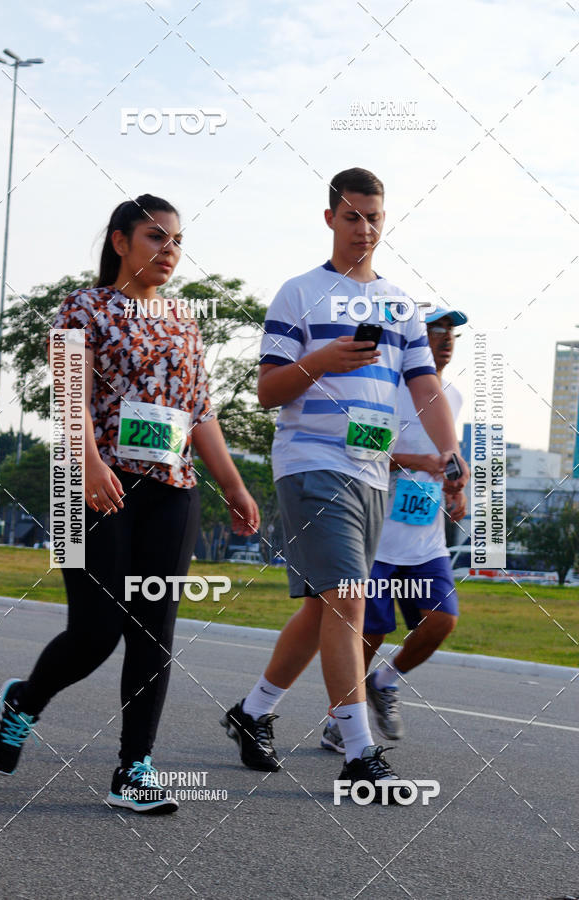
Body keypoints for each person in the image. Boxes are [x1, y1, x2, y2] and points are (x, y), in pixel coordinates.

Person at [0, 194, 259, 814]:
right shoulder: (83, 308)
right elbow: (70, 396)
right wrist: (88, 462)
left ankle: (134, 768)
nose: (170, 251)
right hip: (89, 485)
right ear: (120, 242)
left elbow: (200, 411)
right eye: (156, 237)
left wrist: (234, 484)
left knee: (153, 630)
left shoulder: (186, 321)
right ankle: (24, 701)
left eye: (177, 240)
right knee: (95, 632)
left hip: (172, 490)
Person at [221, 168, 468, 802]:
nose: (365, 228)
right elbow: (268, 389)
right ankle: (359, 754)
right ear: (330, 217)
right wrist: (321, 361)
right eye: (353, 216)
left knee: (321, 608)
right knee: (349, 602)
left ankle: (252, 712)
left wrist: (449, 451)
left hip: (370, 472)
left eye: (375, 218)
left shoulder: (401, 306)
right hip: (309, 462)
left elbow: (424, 387)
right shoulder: (299, 293)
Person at [320, 307, 467, 754]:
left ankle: (384, 682)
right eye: (435, 330)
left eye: (451, 332)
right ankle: (341, 719)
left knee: (443, 620)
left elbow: (448, 458)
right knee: (373, 631)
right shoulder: (385, 390)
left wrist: (456, 492)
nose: (445, 339)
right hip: (377, 536)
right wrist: (419, 462)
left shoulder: (452, 396)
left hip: (425, 538)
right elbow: (361, 450)